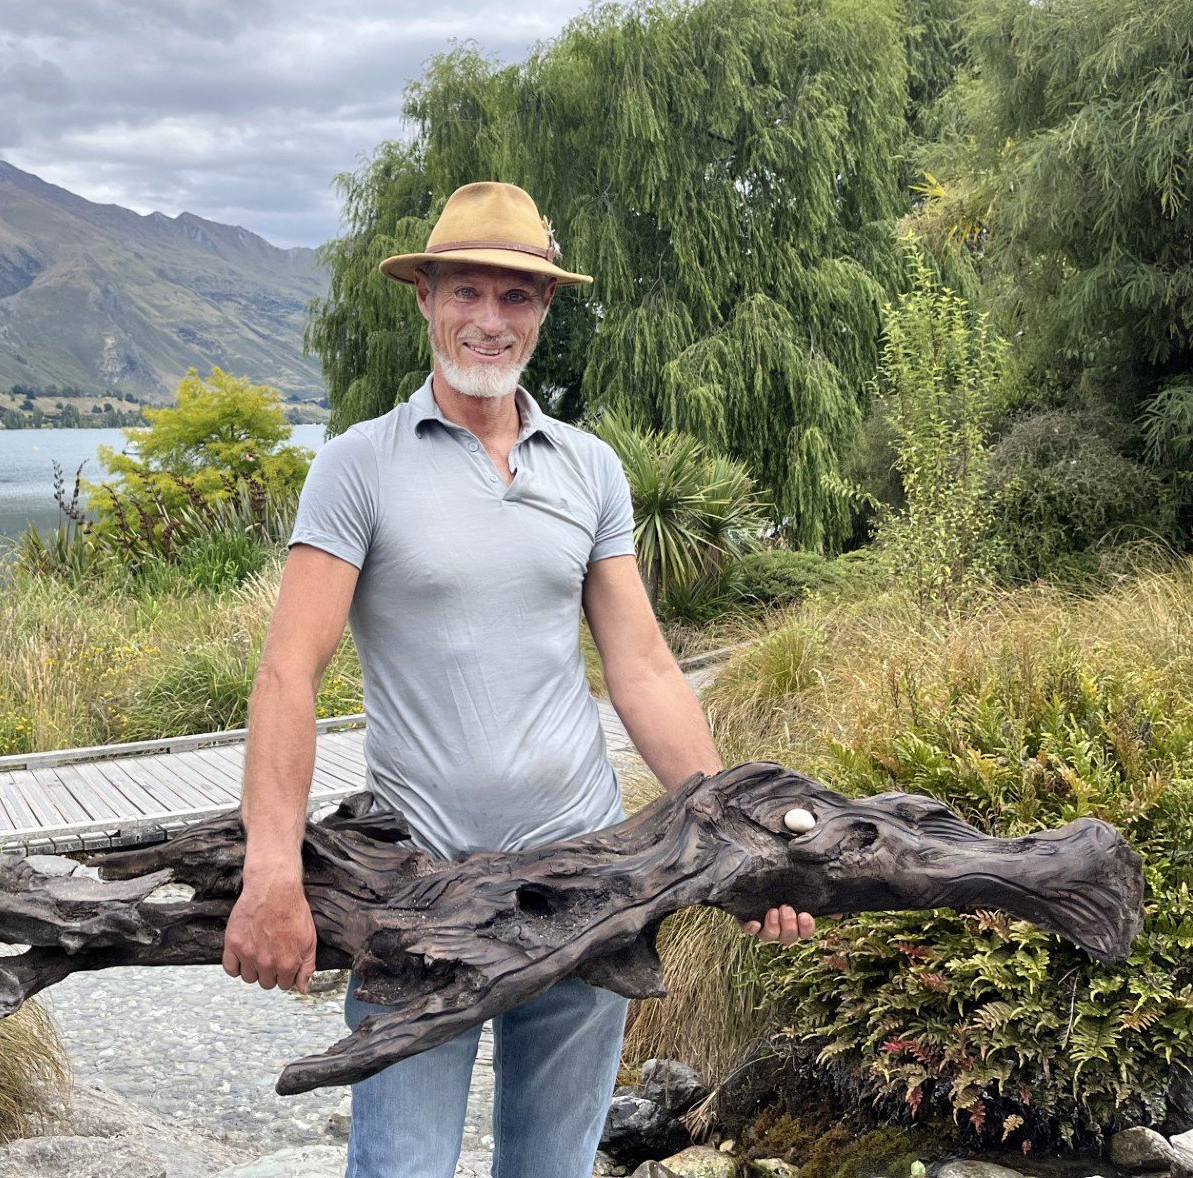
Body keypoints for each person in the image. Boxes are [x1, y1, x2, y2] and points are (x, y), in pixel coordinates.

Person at [221, 181, 818, 1178]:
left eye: (516, 297)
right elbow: (288, 671)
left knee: (551, 1168)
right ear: (426, 298)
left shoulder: (590, 469)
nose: (490, 320)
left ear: (543, 310)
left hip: (584, 889)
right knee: (399, 1167)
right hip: (418, 899)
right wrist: (271, 867)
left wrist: (739, 837)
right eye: (468, 292)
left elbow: (644, 668)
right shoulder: (356, 467)